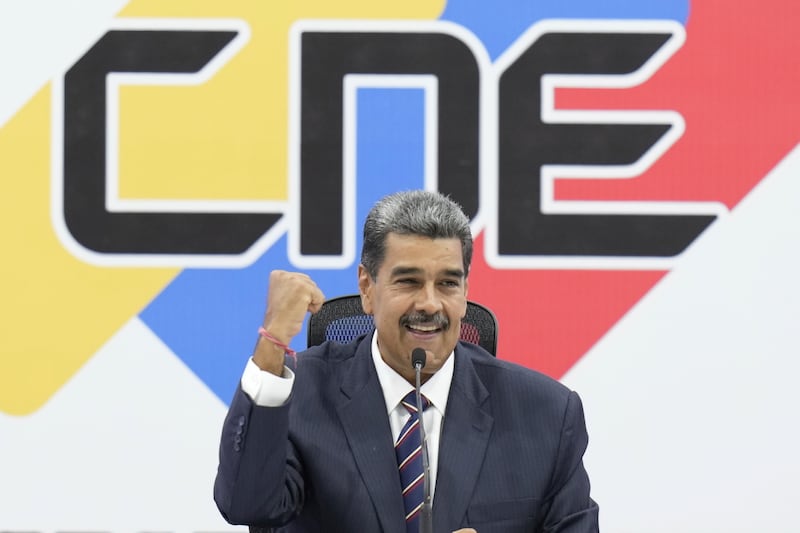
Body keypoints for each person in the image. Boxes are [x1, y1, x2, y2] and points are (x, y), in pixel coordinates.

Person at [214, 190, 599, 532]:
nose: (430, 303)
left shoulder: (546, 414)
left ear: (465, 292)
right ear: (367, 288)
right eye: (409, 281)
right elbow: (246, 505)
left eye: (448, 283)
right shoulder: (300, 393)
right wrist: (272, 342)